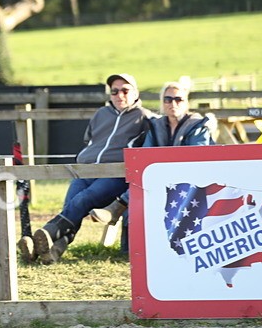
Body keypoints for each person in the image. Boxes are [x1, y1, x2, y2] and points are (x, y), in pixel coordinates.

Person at [19, 73, 154, 264]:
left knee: (82, 200)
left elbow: (154, 142)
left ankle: (45, 234)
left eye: (125, 90)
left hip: (115, 175)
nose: (119, 95)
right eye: (114, 91)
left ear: (136, 93)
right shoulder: (101, 114)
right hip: (86, 171)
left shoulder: (145, 118)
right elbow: (89, 140)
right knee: (71, 205)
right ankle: (53, 251)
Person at [89, 77, 216, 226]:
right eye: (168, 99)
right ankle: (124, 228)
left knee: (150, 180)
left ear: (186, 102)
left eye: (178, 99)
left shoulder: (197, 126)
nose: (173, 104)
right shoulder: (156, 126)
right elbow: (145, 156)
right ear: (162, 102)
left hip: (191, 180)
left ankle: (118, 206)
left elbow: (197, 159)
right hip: (159, 180)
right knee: (140, 181)